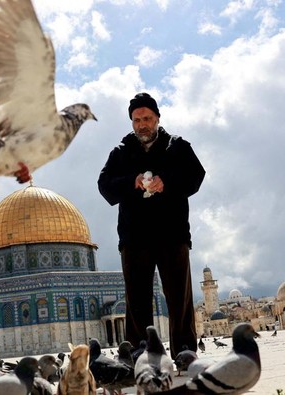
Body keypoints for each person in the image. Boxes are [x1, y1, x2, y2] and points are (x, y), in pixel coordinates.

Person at [98, 92, 206, 359]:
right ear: (131, 122)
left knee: (178, 296)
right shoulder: (121, 153)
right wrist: (132, 182)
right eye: (136, 120)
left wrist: (165, 181)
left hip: (172, 234)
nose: (142, 124)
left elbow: (195, 176)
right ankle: (140, 351)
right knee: (136, 299)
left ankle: (183, 350)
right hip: (135, 238)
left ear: (157, 118)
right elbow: (104, 185)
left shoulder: (177, 147)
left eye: (147, 118)